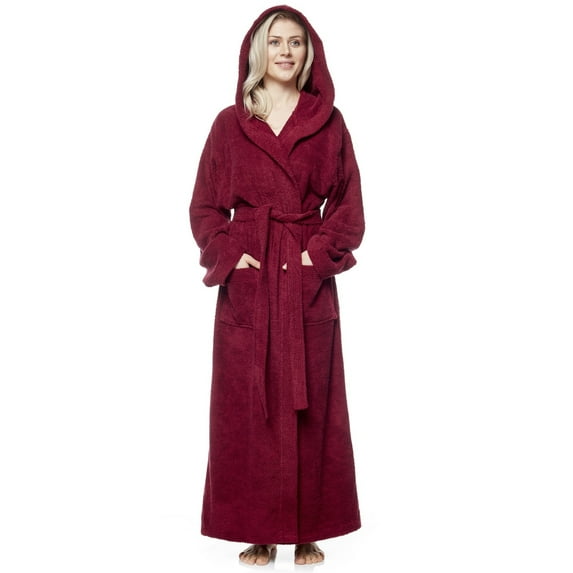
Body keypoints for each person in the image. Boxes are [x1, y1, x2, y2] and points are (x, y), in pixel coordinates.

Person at [189, 5, 365, 566]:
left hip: (305, 280)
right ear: (256, 51)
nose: (285, 51)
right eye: (275, 41)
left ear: (309, 52)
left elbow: (349, 208)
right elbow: (204, 207)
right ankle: (257, 530)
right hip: (252, 279)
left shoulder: (328, 122)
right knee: (247, 410)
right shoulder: (230, 124)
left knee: (314, 409)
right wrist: (231, 253)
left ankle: (308, 529)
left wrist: (314, 257)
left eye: (296, 42)